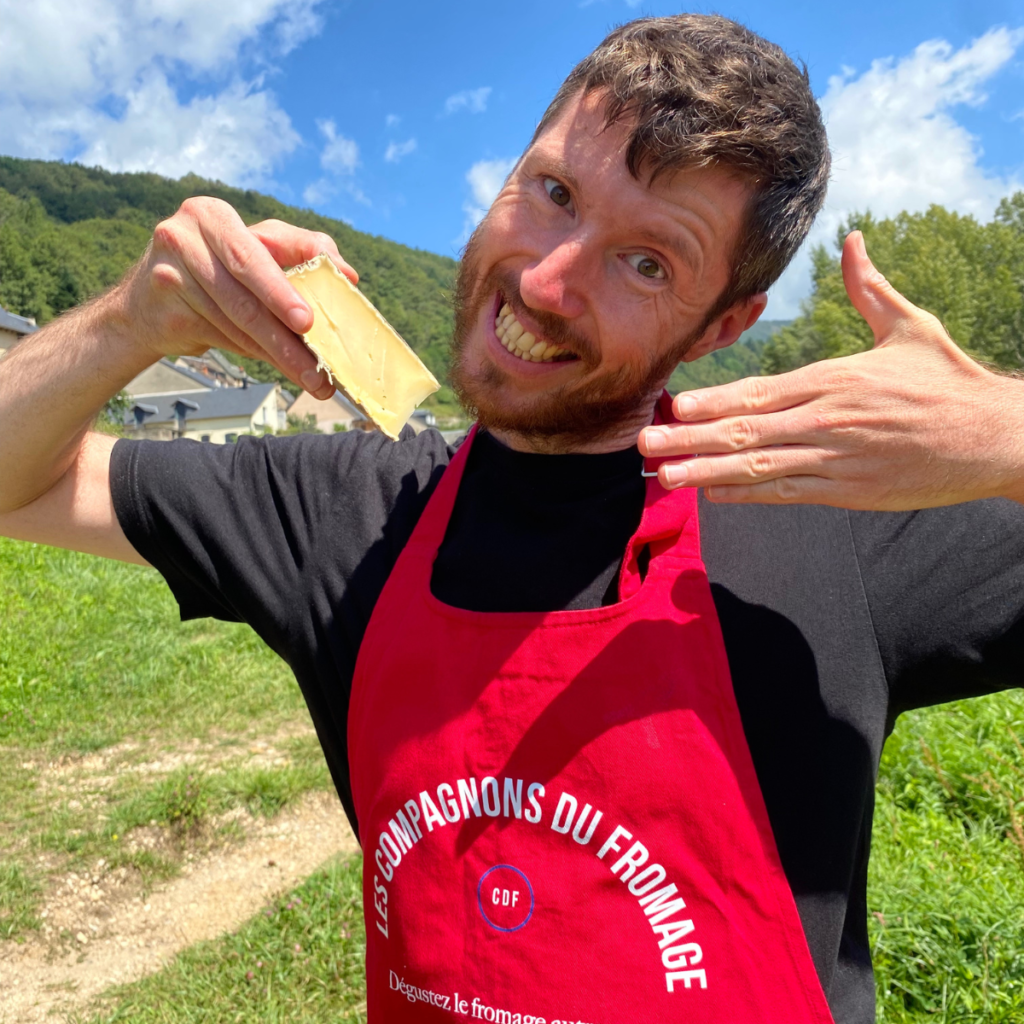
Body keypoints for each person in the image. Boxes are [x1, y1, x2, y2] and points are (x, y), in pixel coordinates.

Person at [1, 13, 1022, 1024]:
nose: (543, 281)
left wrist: (1003, 429)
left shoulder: (843, 517)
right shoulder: (343, 513)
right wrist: (132, 322)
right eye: (553, 191)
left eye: (647, 262)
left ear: (722, 327)